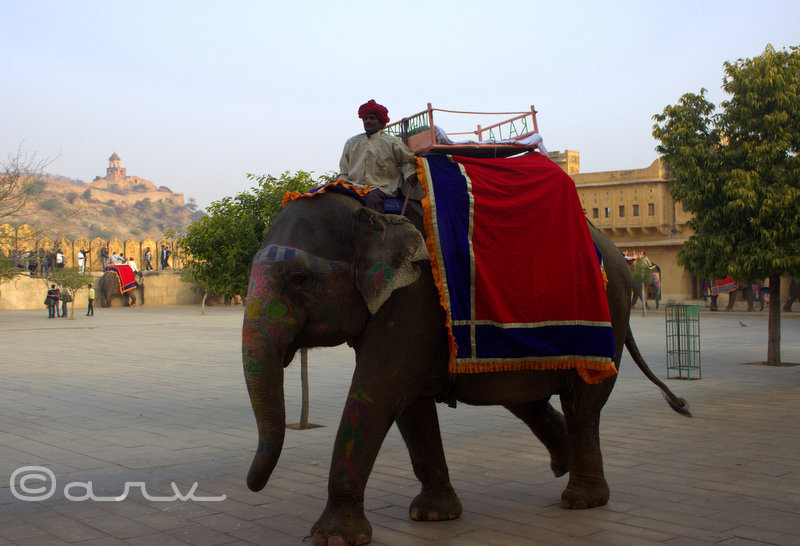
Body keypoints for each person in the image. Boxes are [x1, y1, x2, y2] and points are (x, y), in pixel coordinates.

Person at [338, 99, 418, 213]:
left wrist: (409, 174)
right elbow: (344, 171)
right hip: (354, 186)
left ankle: (377, 230)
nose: (367, 121)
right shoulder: (351, 143)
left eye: (372, 118)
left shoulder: (393, 142)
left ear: (381, 122)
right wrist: (341, 183)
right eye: (365, 118)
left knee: (373, 199)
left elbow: (407, 161)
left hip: (380, 188)